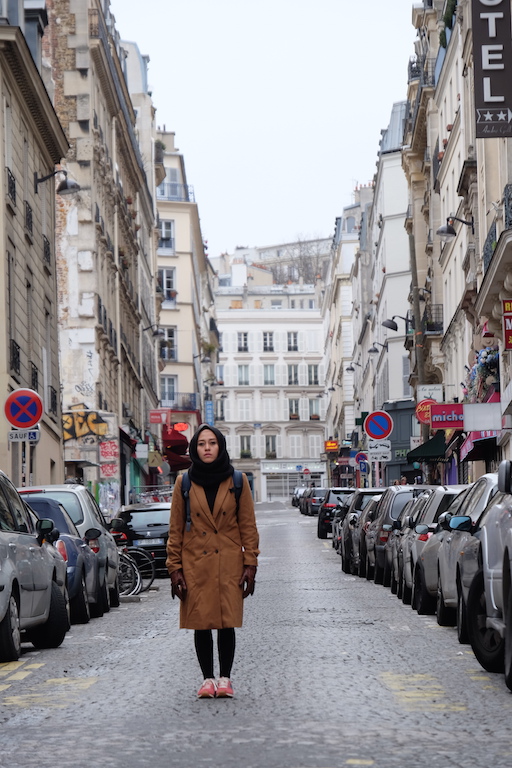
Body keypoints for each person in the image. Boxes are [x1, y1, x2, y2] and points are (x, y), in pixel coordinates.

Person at [166, 424, 260, 699]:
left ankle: (225, 679)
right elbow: (174, 530)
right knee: (201, 623)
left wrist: (250, 564)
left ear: (220, 446)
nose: (207, 448)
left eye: (212, 443)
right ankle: (207, 679)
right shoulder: (183, 483)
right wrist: (174, 569)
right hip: (195, 563)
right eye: (201, 444)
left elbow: (248, 527)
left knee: (226, 622)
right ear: (195, 449)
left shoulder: (238, 481)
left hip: (229, 563)